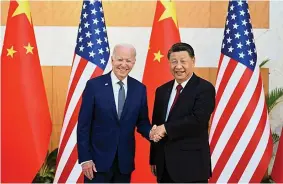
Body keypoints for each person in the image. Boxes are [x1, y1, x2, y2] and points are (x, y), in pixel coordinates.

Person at [77, 44, 156, 183]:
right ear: (112, 60)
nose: (124, 65)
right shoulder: (94, 86)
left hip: (124, 164)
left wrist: (151, 133)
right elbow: (83, 125)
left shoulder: (139, 89)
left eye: (128, 61)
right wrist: (85, 158)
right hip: (96, 163)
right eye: (120, 59)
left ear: (134, 62)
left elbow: (142, 121)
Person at [149, 42, 216, 183]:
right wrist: (154, 158)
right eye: (174, 62)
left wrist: (166, 129)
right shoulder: (162, 90)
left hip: (191, 167)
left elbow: (198, 120)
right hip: (164, 165)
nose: (178, 66)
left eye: (183, 61)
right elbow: (157, 125)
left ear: (193, 61)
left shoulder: (204, 88)